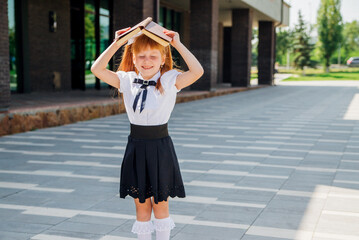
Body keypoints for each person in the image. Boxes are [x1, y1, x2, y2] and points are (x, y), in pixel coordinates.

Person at [91, 24, 204, 240]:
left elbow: (198, 71)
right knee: (142, 208)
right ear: (133, 58)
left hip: (160, 148)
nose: (147, 61)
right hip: (136, 148)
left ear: (163, 59)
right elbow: (96, 69)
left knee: (160, 206)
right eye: (141, 56)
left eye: (153, 56)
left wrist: (177, 44)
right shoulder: (126, 80)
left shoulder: (170, 80)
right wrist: (117, 43)